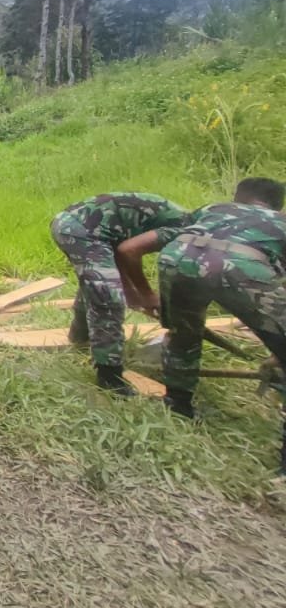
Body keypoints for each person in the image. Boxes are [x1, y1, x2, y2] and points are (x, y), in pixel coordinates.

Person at [117, 178, 286, 442]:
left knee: (183, 336)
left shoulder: (212, 209)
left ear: (236, 197)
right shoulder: (278, 221)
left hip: (179, 257)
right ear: (277, 205)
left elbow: (136, 246)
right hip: (240, 265)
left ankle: (179, 405)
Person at [50, 191, 191, 395]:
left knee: (100, 282)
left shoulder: (185, 222)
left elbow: (119, 249)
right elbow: (128, 251)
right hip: (81, 228)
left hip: (83, 226)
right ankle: (109, 377)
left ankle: (79, 335)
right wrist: (146, 294)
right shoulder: (185, 231)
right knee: (108, 298)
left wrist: (131, 291)